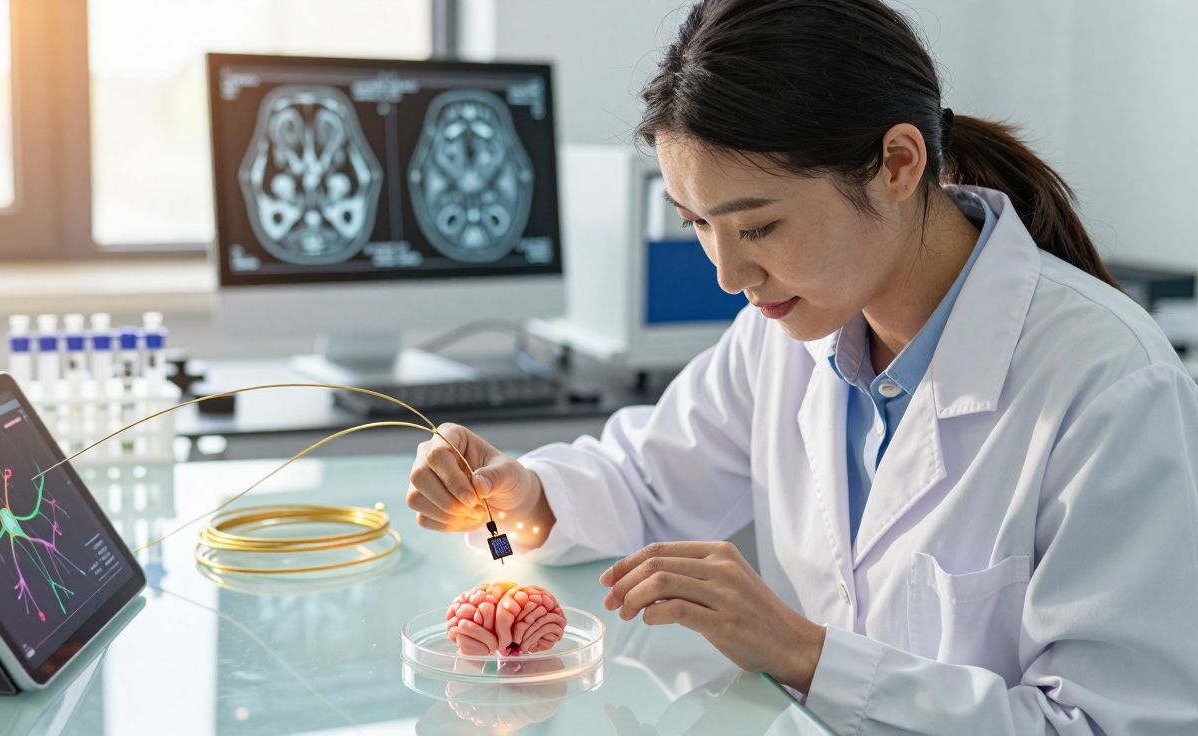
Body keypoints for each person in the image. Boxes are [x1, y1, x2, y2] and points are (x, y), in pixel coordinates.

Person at [405, 0, 1198, 732]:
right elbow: (646, 484)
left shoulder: (1109, 385)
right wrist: (525, 494)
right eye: (698, 225)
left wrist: (805, 654)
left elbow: (1103, 724)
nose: (727, 275)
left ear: (896, 164)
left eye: (759, 227)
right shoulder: (789, 332)